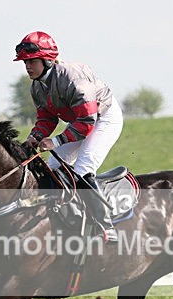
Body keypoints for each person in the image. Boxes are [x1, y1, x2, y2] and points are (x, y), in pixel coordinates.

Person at [14, 31, 123, 242]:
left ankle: (106, 226)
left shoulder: (73, 77)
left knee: (83, 168)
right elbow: (47, 118)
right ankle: (67, 217)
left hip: (103, 118)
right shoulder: (37, 86)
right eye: (24, 62)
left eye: (31, 61)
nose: (27, 66)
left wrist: (55, 141)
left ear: (46, 60)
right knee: (53, 166)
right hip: (81, 121)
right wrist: (34, 137)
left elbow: (88, 122)